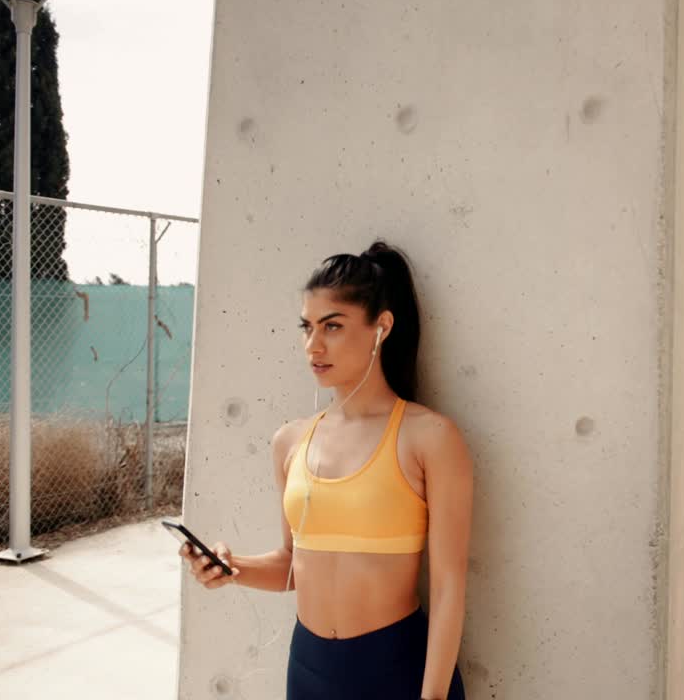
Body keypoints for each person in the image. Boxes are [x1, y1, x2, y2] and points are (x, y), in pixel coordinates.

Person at [179, 241, 472, 699]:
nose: (314, 345)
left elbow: (450, 585)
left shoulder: (429, 437)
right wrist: (230, 567)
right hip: (309, 668)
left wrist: (432, 697)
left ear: (382, 327)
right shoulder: (290, 441)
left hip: (397, 669)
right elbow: (292, 567)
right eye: (307, 327)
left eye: (332, 326)